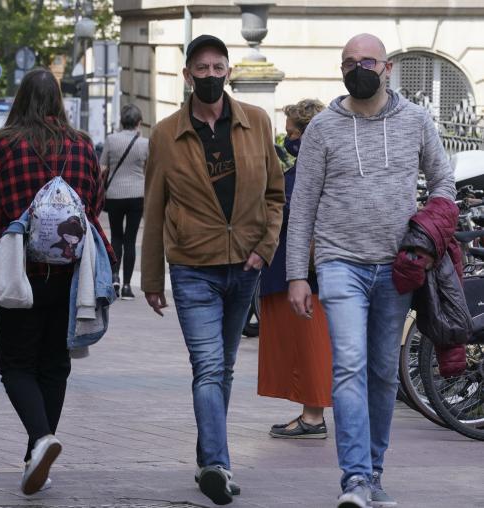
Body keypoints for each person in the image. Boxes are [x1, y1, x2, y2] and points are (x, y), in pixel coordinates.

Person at [286, 34, 456, 508]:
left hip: (397, 268)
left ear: (386, 68)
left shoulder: (416, 120)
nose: (357, 68)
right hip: (340, 263)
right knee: (349, 366)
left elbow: (443, 182)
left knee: (383, 373)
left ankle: (375, 474)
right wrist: (298, 273)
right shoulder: (321, 128)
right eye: (348, 62)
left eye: (367, 61)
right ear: (340, 70)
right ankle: (355, 478)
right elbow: (301, 207)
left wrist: (430, 227)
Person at [141, 34, 285, 505]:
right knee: (207, 367)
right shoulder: (166, 133)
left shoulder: (257, 122)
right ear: (187, 76)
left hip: (244, 265)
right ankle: (220, 466)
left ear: (228, 71)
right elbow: (155, 206)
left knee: (221, 369)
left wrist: (264, 248)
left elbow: (275, 196)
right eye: (200, 69)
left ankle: (208, 459)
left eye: (217, 67)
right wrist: (150, 279)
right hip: (193, 267)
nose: (209, 76)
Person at [0, 68, 113, 496]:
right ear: (58, 100)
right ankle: (37, 453)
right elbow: (96, 204)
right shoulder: (83, 145)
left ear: (21, 98)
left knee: (15, 365)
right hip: (69, 275)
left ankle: (40, 440)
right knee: (54, 365)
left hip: (17, 270)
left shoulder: (4, 143)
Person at [257, 99, 333, 439]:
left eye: (291, 133)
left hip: (305, 269)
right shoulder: (307, 164)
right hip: (296, 267)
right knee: (301, 344)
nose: (287, 140)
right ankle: (309, 410)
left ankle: (314, 415)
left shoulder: (309, 167)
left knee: (308, 341)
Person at [99, 103, 148, 300]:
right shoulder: (145, 143)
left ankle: (114, 278)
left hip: (114, 195)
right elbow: (149, 169)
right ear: (139, 122)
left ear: (121, 121)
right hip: (137, 195)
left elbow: (102, 167)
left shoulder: (111, 140)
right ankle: (128, 286)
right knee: (130, 240)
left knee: (116, 237)